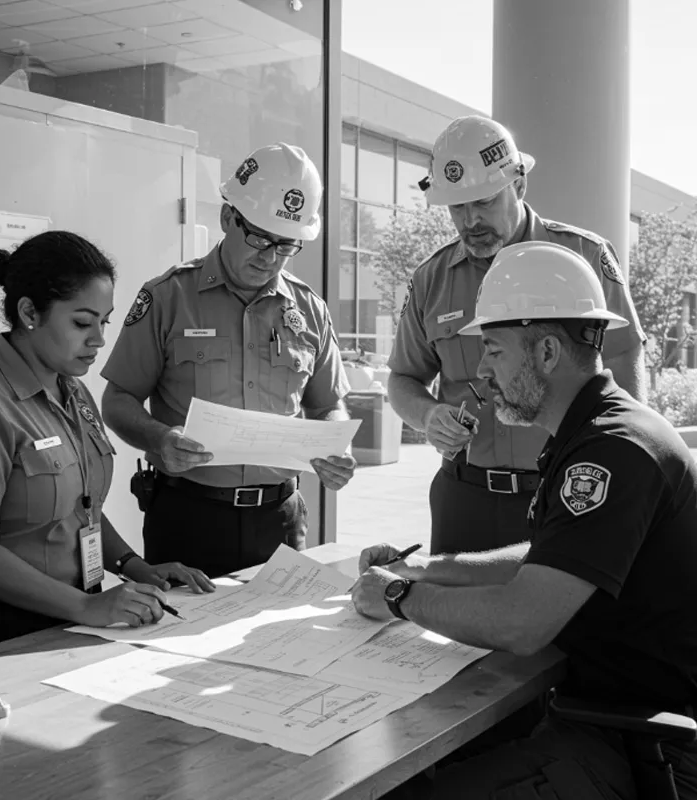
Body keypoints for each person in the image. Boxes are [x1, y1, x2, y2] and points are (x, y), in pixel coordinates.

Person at [353, 241, 697, 799]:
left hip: (640, 748)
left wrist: (396, 599)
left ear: (546, 353)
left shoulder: (611, 453)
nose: (482, 371)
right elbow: (553, 558)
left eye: (492, 349)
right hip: (605, 719)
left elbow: (521, 623)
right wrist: (426, 571)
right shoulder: (599, 430)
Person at [0, 231, 214, 669]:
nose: (99, 340)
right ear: (29, 312)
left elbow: (79, 507)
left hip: (58, 617)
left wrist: (133, 565)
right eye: (82, 323)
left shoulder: (75, 394)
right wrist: (89, 608)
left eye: (104, 322)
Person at [388, 115, 647, 554]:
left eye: (484, 202)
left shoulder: (582, 256)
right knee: (449, 619)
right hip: (464, 497)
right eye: (457, 207)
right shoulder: (431, 279)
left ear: (519, 184)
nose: (470, 221)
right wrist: (429, 416)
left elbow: (623, 361)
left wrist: (623, 466)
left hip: (563, 494)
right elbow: (402, 380)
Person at [101, 142, 356, 579]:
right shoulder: (168, 297)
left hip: (281, 519)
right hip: (188, 517)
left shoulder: (309, 308)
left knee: (278, 641)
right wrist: (160, 439)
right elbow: (117, 400)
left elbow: (327, 403)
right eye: (259, 238)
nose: (270, 257)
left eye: (286, 246)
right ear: (226, 218)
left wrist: (336, 443)